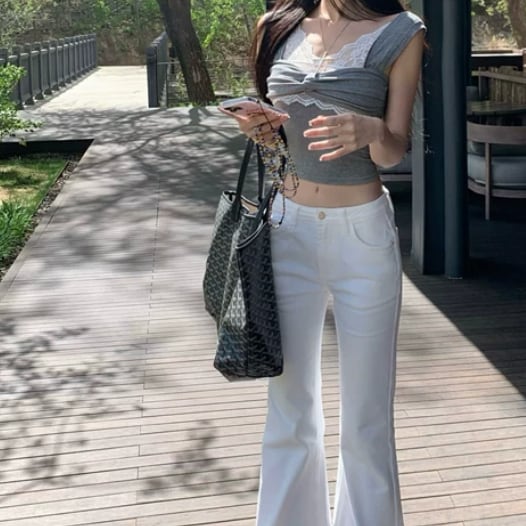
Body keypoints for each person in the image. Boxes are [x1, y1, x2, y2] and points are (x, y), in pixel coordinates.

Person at [231, 1, 425, 524]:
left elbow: (393, 149)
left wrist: (371, 131)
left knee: (366, 420)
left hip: (361, 235)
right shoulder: (277, 26)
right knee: (288, 408)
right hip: (286, 229)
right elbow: (279, 147)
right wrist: (262, 131)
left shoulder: (401, 32)